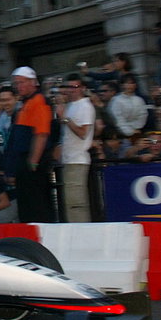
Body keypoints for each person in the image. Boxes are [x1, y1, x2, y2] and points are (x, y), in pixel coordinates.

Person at [2, 66, 56, 223]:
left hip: (31, 163)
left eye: (21, 82)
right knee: (28, 204)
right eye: (16, 83)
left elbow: (41, 134)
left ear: (33, 82)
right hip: (25, 162)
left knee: (36, 204)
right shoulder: (26, 103)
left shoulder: (39, 102)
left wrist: (33, 162)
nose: (18, 86)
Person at [56, 76, 95, 222]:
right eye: (69, 87)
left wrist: (65, 118)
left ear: (83, 88)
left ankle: (82, 233)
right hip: (69, 159)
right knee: (70, 202)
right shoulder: (71, 105)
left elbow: (82, 133)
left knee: (76, 203)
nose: (72, 90)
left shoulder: (85, 106)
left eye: (75, 87)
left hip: (77, 160)